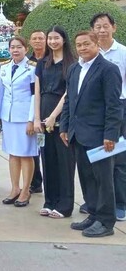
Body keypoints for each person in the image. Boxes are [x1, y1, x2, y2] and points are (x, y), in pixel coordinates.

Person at [61, 31, 122, 238]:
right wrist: (65, 128)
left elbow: (114, 105)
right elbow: (69, 100)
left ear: (96, 44)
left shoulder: (108, 70)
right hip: (79, 134)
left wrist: (111, 134)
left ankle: (106, 222)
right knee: (87, 178)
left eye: (86, 44)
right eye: (78, 45)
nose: (82, 48)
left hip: (100, 136)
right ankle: (94, 214)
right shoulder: (74, 69)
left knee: (103, 180)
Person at [33, 26, 76, 218]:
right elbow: (37, 92)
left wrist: (53, 116)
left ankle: (65, 205)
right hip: (43, 118)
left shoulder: (72, 64)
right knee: (47, 160)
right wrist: (37, 118)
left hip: (62, 118)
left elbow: (68, 93)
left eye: (56, 38)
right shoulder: (42, 63)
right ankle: (49, 201)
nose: (52, 41)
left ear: (64, 40)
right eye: (50, 38)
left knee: (64, 163)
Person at [91, 13, 126, 222]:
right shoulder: (91, 53)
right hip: (95, 110)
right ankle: (100, 201)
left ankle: (120, 203)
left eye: (105, 26)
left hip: (119, 108)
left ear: (114, 27)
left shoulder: (122, 52)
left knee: (119, 159)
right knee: (97, 157)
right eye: (98, 27)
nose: (102, 30)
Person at [0, 37, 37, 207]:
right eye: (12, 47)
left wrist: (32, 119)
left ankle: (26, 190)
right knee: (13, 153)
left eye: (19, 47)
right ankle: (15, 188)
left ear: (25, 49)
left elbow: (35, 95)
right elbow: (1, 93)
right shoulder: (4, 67)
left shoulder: (33, 68)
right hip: (9, 116)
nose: (15, 50)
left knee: (26, 153)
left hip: (24, 117)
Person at [28, 30, 48, 194]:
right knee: (33, 149)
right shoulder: (28, 62)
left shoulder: (52, 59)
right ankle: (35, 182)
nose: (38, 41)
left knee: (47, 151)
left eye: (41, 38)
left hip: (50, 110)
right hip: (32, 110)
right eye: (34, 38)